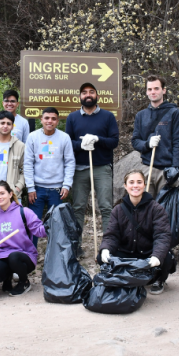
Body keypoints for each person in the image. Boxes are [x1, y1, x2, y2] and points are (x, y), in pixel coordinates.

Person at [98, 171, 175, 295]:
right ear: (125, 186)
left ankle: (158, 279)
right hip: (126, 253)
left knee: (165, 255)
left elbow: (162, 235)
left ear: (144, 185)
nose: (135, 186)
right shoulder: (118, 210)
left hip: (148, 254)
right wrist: (106, 248)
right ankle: (119, 278)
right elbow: (111, 235)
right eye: (131, 182)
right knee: (102, 256)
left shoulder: (156, 209)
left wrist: (156, 255)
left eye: (139, 182)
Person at [65, 82, 119, 257]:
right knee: (78, 207)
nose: (88, 95)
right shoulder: (72, 118)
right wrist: (81, 145)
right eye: (84, 92)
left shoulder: (108, 116)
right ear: (80, 96)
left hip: (102, 168)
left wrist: (97, 139)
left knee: (106, 207)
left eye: (91, 92)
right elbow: (68, 143)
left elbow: (114, 141)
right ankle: (77, 246)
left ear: (97, 95)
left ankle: (108, 246)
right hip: (80, 169)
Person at [0, 181, 46, 296]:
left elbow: (39, 230)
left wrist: (49, 227)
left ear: (10, 194)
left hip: (24, 255)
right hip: (3, 255)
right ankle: (8, 277)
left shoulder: (24, 212)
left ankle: (24, 282)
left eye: (2, 193)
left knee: (14, 257)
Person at [24, 107, 75, 246]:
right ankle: (31, 253)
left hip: (57, 189)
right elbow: (28, 163)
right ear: (41, 120)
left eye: (53, 119)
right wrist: (30, 187)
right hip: (37, 189)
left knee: (56, 223)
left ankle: (55, 254)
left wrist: (66, 185)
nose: (49, 121)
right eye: (46, 118)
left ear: (57, 121)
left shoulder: (64, 137)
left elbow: (70, 162)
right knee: (33, 223)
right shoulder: (32, 137)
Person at [131, 76, 179, 196]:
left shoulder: (174, 113)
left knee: (164, 207)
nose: (153, 92)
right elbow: (135, 141)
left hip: (167, 170)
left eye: (156, 88)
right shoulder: (141, 115)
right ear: (146, 92)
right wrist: (147, 144)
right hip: (146, 168)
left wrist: (177, 168)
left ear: (163, 90)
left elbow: (178, 142)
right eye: (149, 89)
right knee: (145, 205)